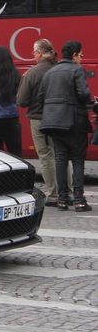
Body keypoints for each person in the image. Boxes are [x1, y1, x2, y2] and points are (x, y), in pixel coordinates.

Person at [38, 40, 92, 212]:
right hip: (74, 122)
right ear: (74, 55)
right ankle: (79, 199)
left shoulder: (50, 72)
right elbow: (84, 93)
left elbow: (40, 97)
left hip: (53, 123)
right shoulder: (77, 70)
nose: (82, 58)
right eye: (81, 55)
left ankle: (62, 200)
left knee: (61, 160)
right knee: (77, 160)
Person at [17, 39, 72, 207]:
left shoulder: (32, 73)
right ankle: (68, 192)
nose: (33, 56)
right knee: (62, 155)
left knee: (46, 156)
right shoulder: (61, 70)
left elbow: (22, 100)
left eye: (34, 53)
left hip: (39, 119)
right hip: (61, 118)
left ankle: (54, 194)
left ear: (39, 53)